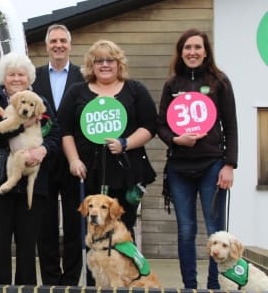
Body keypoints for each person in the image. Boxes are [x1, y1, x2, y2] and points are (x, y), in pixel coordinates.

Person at [156, 29, 237, 289]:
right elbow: (161, 125)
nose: (192, 52)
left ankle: (215, 285)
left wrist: (229, 164)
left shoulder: (219, 81)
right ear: (181, 52)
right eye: (187, 48)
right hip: (180, 168)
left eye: (197, 47)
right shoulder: (172, 84)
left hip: (212, 165)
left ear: (206, 51)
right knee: (186, 231)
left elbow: (231, 125)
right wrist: (175, 140)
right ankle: (189, 286)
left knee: (215, 230)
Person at [58, 39, 157, 236]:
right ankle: (92, 268)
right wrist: (74, 160)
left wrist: (125, 143)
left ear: (119, 63)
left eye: (110, 60)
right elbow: (64, 129)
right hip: (88, 173)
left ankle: (124, 267)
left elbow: (150, 126)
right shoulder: (76, 92)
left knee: (123, 230)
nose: (104, 65)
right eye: (98, 61)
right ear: (91, 65)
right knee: (91, 232)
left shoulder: (135, 90)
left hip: (125, 174)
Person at [0, 52, 60, 285]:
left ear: (28, 77)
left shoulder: (40, 100)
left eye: (21, 74)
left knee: (27, 245)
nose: (16, 79)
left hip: (32, 181)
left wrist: (42, 150)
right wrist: (23, 123)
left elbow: (55, 134)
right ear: (3, 77)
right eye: (11, 74)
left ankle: (26, 289)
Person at [32, 23, 84, 285]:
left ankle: (71, 282)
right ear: (47, 46)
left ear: (70, 45)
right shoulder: (34, 77)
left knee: (76, 224)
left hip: (75, 160)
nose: (58, 45)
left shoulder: (84, 76)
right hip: (43, 159)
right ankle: (51, 281)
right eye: (54, 41)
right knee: (46, 225)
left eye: (63, 40)